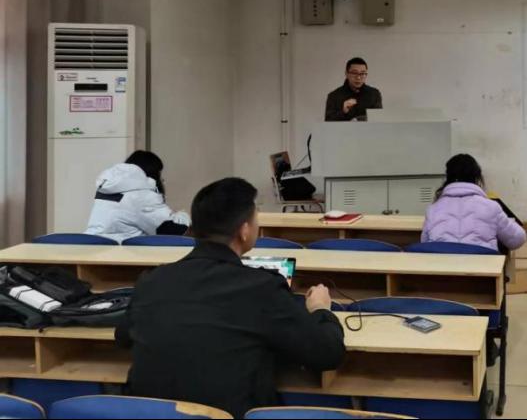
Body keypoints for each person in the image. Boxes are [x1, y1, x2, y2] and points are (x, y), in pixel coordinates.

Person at [115, 178, 345, 418]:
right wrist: (320, 309)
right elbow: (327, 353)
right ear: (244, 231)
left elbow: (123, 337)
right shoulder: (262, 287)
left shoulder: (152, 280)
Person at [422, 154, 527, 253]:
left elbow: (424, 243)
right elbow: (517, 240)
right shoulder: (491, 207)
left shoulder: (433, 209)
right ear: (477, 178)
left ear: (448, 178)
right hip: (483, 264)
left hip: (441, 264)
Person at [85, 150, 190, 243]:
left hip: (92, 246)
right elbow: (171, 230)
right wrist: (183, 216)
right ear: (152, 173)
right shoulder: (142, 194)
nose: (162, 180)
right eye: (159, 174)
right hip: (121, 253)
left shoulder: (109, 188)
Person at [324, 57, 383, 121]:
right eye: (354, 73)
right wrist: (343, 112)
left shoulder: (374, 94)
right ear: (346, 74)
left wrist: (357, 119)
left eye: (362, 73)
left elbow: (378, 119)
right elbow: (327, 122)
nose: (358, 77)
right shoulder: (333, 96)